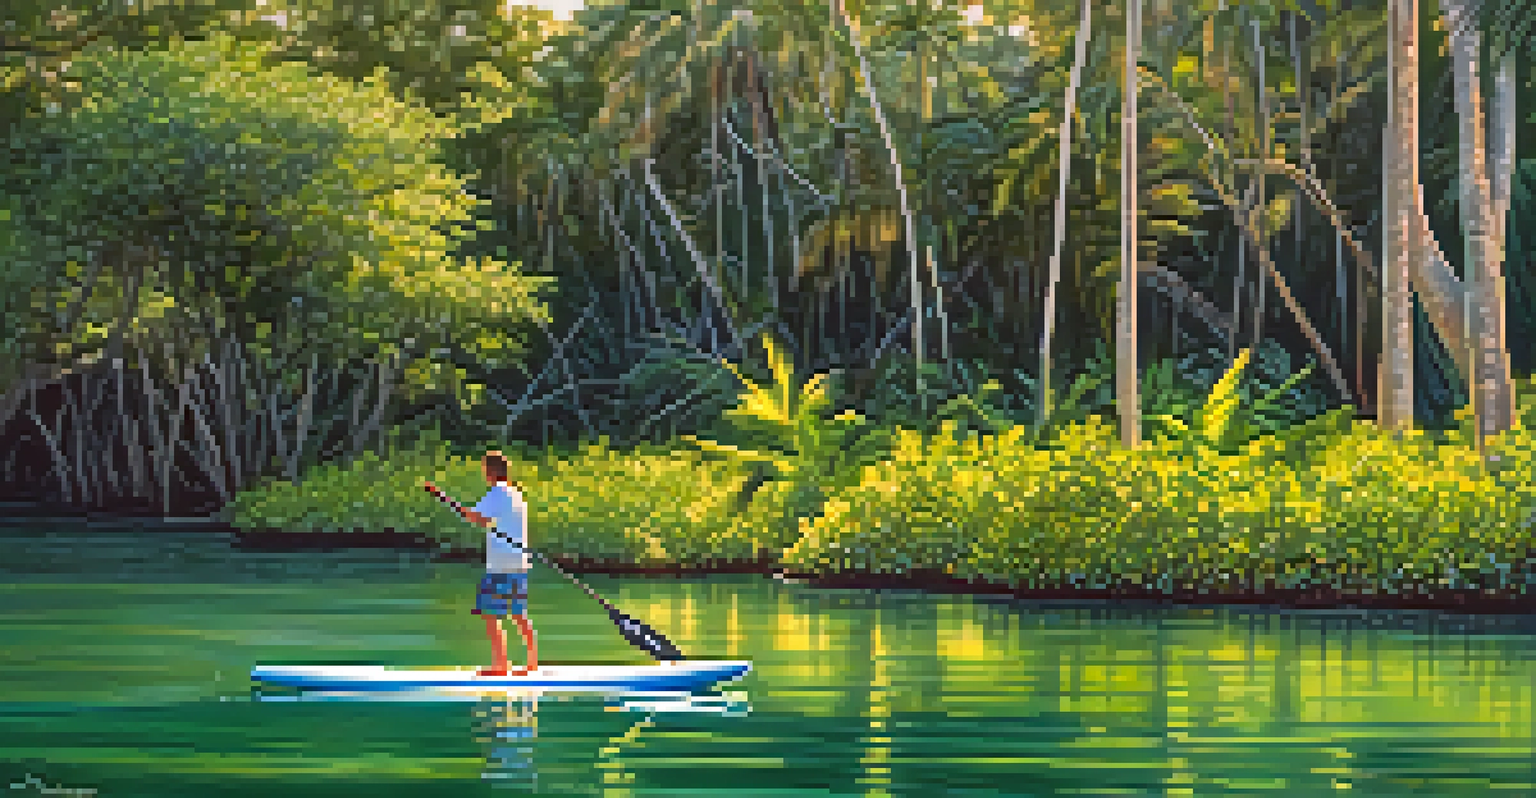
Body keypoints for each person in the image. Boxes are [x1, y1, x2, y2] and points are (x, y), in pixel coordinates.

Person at [426, 451, 538, 676]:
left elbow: (474, 517)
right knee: (518, 614)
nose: (484, 473)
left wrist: (443, 497)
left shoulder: (496, 494)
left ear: (493, 471)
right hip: (520, 562)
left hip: (500, 564)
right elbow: (485, 519)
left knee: (490, 613)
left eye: (486, 469)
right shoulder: (516, 495)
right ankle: (532, 663)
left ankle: (501, 666)